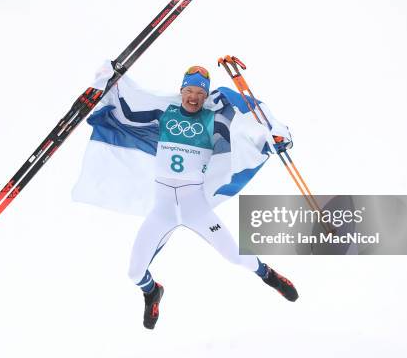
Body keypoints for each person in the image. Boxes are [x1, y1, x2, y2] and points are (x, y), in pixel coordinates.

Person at [117, 66, 299, 330]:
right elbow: (128, 110)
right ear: (180, 91)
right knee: (134, 274)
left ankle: (267, 274)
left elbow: (248, 131)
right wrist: (110, 84)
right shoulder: (164, 113)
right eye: (189, 90)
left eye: (200, 92)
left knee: (236, 257)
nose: (193, 97)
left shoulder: (214, 120)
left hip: (196, 208)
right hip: (163, 210)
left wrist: (275, 137)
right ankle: (152, 292)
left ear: (206, 96)